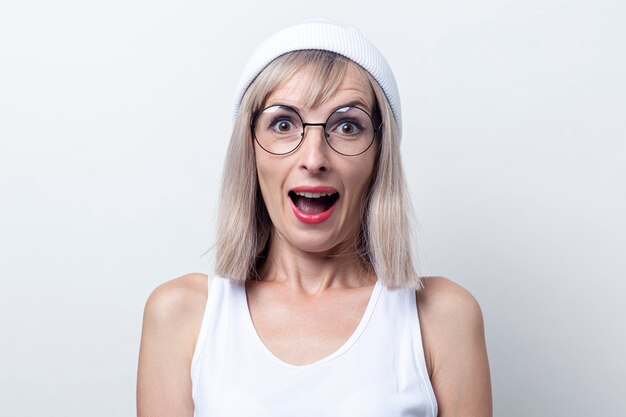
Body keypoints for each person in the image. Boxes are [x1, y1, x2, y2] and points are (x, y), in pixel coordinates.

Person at [137, 19, 491, 417]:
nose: (314, 158)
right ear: (250, 152)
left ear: (379, 157)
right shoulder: (182, 315)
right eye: (283, 124)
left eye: (347, 126)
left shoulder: (441, 318)